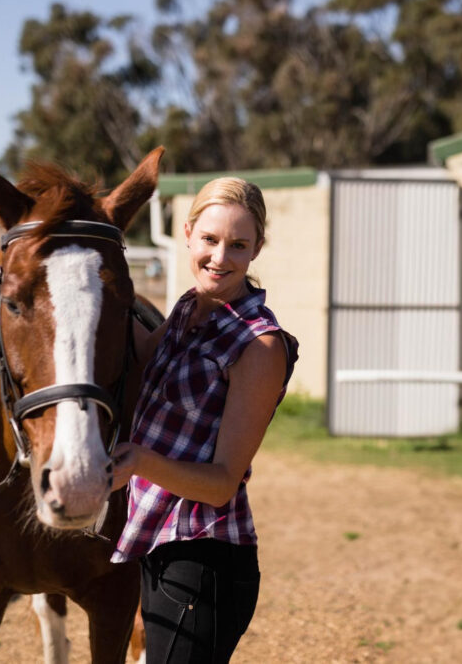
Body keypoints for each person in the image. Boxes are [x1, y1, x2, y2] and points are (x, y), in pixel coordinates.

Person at [110, 177, 299, 663]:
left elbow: (221, 484)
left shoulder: (259, 345)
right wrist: (101, 291)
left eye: (238, 245)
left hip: (205, 558)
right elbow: (142, 354)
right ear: (188, 234)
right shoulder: (187, 308)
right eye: (210, 240)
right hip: (160, 545)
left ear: (257, 248)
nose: (220, 257)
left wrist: (139, 461)